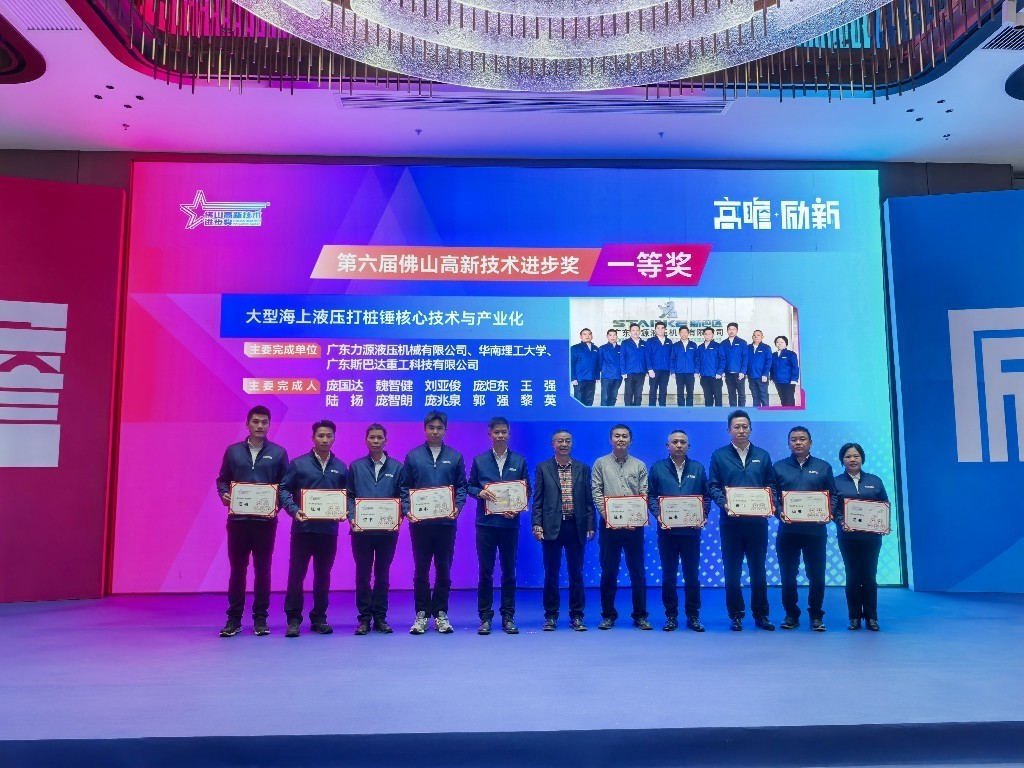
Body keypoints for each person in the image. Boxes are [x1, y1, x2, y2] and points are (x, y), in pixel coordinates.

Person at [215, 405, 288, 637]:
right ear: (247, 424)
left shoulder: (279, 453)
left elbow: (284, 486)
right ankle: (234, 619)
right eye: (255, 421)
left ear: (269, 425)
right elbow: (222, 480)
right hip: (238, 521)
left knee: (263, 570)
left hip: (265, 523)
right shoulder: (233, 451)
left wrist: (277, 504)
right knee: (237, 570)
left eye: (264, 422)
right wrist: (224, 494)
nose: (260, 426)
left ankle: (260, 619)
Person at [400, 411, 468, 635]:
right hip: (420, 525)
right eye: (431, 428)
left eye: (439, 428)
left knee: (444, 570)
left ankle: (440, 613)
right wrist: (408, 510)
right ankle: (421, 613)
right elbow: (405, 487)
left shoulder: (455, 457)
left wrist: (458, 506)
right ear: (425, 429)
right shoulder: (413, 456)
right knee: (421, 569)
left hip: (446, 523)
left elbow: (462, 486)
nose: (435, 432)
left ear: (445, 430)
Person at [709, 410, 777, 631]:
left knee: (758, 569)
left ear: (750, 429)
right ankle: (736, 615)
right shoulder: (719, 456)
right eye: (736, 427)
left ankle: (761, 614)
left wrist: (770, 502)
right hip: (731, 523)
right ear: (729, 430)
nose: (741, 430)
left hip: (757, 523)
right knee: (732, 570)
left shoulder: (763, 456)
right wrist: (724, 504)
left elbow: (771, 485)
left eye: (745, 426)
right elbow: (713, 486)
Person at [279, 419, 347, 638]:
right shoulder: (298, 464)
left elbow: (347, 496)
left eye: (329, 436)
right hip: (303, 530)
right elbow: (283, 490)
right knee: (296, 575)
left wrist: (345, 511)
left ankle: (319, 618)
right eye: (320, 435)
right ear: (313, 438)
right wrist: (293, 510)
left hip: (328, 531)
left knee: (323, 576)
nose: (325, 439)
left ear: (334, 438)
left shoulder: (341, 467)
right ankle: (293, 620)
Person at [468, 417, 531, 635]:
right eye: (496, 432)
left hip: (509, 525)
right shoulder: (480, 461)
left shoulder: (519, 461)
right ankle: (485, 618)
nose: (500, 435)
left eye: (504, 432)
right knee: (485, 572)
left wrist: (518, 507)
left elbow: (527, 490)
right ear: (490, 435)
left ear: (509, 434)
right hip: (485, 524)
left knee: (509, 572)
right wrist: (480, 492)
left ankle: (508, 617)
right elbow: (470, 486)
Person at [773, 426, 838, 632]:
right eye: (793, 439)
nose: (798, 442)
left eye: (802, 439)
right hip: (788, 531)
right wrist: (779, 511)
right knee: (788, 576)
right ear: (788, 443)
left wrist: (828, 512)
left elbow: (833, 495)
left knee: (816, 576)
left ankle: (816, 615)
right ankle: (791, 614)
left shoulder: (823, 467)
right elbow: (772, 495)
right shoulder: (779, 467)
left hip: (815, 532)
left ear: (810, 442)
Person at [647, 430, 710, 632]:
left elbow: (705, 496)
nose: (679, 445)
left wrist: (703, 515)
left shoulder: (698, 468)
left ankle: (693, 616)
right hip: (667, 533)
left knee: (692, 576)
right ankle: (671, 616)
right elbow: (651, 496)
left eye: (683, 442)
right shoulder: (657, 468)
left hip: (691, 532)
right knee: (669, 576)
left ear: (688, 446)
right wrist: (658, 515)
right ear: (668, 446)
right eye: (675, 442)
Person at [531, 430, 595, 631]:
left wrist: (591, 525)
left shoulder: (583, 468)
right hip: (551, 527)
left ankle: (577, 615)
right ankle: (551, 616)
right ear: (553, 444)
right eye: (560, 441)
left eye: (568, 441)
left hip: (576, 526)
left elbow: (588, 500)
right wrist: (536, 523)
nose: (564, 444)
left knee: (576, 573)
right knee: (551, 573)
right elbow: (538, 500)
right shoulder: (543, 468)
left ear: (572, 444)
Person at [345, 423, 403, 635]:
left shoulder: (397, 468)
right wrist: (352, 517)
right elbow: (349, 496)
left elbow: (402, 496)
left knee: (382, 575)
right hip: (361, 532)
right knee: (362, 575)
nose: (376, 441)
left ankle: (380, 617)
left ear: (385, 440)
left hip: (387, 532)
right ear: (366, 440)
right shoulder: (356, 466)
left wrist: (400, 516)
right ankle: (364, 619)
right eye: (372, 437)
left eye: (379, 437)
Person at [592, 424, 651, 630]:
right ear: (611, 440)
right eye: (617, 436)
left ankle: (640, 616)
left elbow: (644, 493)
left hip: (634, 527)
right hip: (609, 526)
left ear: (630, 441)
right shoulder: (600, 463)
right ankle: (608, 615)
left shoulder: (639, 465)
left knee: (637, 572)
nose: (621, 439)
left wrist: (636, 518)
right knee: (609, 571)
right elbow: (596, 492)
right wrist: (609, 517)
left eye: (625, 436)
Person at [834, 442, 889, 631]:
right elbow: (833, 508)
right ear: (842, 460)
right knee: (852, 576)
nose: (852, 459)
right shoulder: (836, 482)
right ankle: (854, 617)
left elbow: (884, 506)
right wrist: (841, 521)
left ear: (862, 458)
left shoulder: (875, 480)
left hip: (871, 538)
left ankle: (872, 617)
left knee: (869, 576)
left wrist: (883, 524)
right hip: (847, 537)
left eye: (856, 456)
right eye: (848, 456)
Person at [644, 320, 673, 407]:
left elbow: (671, 356)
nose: (660, 330)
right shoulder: (650, 341)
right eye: (658, 328)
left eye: (662, 328)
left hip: (665, 370)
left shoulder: (669, 341)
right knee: (653, 390)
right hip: (654, 370)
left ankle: (662, 409)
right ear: (655, 330)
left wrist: (671, 370)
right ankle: (652, 409)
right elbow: (647, 356)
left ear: (665, 329)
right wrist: (650, 369)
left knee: (663, 390)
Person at [570, 328, 600, 406]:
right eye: (585, 334)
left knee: (589, 400)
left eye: (589, 334)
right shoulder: (575, 348)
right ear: (581, 336)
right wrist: (573, 378)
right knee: (579, 400)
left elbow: (597, 364)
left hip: (591, 379)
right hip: (579, 379)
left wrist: (597, 376)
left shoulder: (595, 348)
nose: (587, 336)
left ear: (592, 336)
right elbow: (571, 364)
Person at [695, 327, 725, 407]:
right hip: (704, 376)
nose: (707, 336)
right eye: (706, 334)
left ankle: (719, 414)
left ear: (713, 335)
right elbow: (698, 360)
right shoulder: (700, 347)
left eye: (709, 334)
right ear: (703, 335)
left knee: (718, 398)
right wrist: (697, 371)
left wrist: (719, 372)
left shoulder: (718, 346)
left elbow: (722, 360)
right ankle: (709, 414)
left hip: (715, 376)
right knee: (708, 398)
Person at [721, 322, 749, 407]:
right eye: (730, 329)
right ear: (727, 331)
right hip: (728, 373)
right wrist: (722, 371)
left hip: (739, 373)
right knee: (731, 393)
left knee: (741, 394)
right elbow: (722, 358)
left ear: (737, 331)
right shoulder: (723, 343)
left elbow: (745, 358)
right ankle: (733, 410)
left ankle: (741, 410)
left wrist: (743, 371)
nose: (731, 331)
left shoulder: (742, 342)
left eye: (734, 329)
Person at [670, 326, 698, 407]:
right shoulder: (675, 345)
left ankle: (689, 410)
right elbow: (672, 359)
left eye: (685, 332)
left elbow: (697, 359)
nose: (684, 334)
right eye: (682, 332)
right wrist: (672, 371)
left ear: (688, 333)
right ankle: (681, 409)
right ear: (679, 333)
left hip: (690, 372)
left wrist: (696, 371)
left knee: (690, 392)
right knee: (680, 393)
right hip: (679, 373)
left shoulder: (693, 345)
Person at [620, 323, 646, 407]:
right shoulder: (625, 343)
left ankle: (637, 411)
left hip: (641, 372)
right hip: (629, 373)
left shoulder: (644, 343)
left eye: (637, 330)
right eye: (633, 330)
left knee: (638, 394)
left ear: (640, 331)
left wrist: (646, 370)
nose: (635, 332)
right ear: (630, 332)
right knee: (629, 393)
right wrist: (623, 372)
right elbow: (622, 358)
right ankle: (628, 411)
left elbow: (646, 357)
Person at [771, 335, 800, 407]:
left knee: (789, 401)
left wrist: (794, 379)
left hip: (788, 381)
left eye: (782, 342)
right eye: (778, 342)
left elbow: (795, 367)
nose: (779, 344)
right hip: (778, 381)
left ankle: (792, 413)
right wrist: (771, 378)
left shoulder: (791, 354)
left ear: (786, 343)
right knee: (783, 400)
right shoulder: (773, 355)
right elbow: (772, 368)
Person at [747, 330, 773, 407]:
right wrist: (746, 372)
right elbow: (745, 361)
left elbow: (768, 362)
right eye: (754, 335)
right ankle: (756, 412)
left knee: (763, 395)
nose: (756, 337)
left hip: (762, 376)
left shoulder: (766, 348)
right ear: (752, 337)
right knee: (755, 396)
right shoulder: (748, 347)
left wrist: (765, 374)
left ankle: (765, 412)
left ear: (762, 337)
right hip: (751, 376)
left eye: (758, 335)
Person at [599, 328, 624, 407]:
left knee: (613, 397)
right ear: (607, 336)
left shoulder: (621, 348)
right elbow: (599, 363)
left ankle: (611, 412)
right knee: (605, 398)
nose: (612, 337)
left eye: (614, 335)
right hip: (606, 377)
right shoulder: (602, 348)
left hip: (618, 377)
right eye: (610, 335)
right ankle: (603, 413)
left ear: (617, 336)